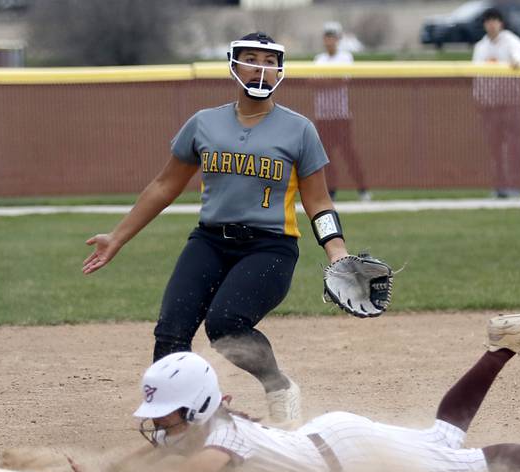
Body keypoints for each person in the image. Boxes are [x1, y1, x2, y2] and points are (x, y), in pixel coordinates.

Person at [82, 32, 352, 427]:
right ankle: (174, 428)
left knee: (225, 325)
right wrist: (117, 236)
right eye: (251, 59)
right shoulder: (204, 123)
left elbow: (319, 201)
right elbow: (164, 185)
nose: (261, 67)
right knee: (171, 334)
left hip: (270, 247)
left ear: (280, 69)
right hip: (209, 240)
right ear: (233, 65)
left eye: (269, 60)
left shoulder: (300, 130)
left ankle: (278, 386)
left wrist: (337, 251)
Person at [67, 311, 520, 472]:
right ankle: (498, 350)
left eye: (163, 413)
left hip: (349, 451)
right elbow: (157, 453)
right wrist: (98, 469)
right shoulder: (208, 422)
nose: (157, 425)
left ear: (194, 408)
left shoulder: (222, 438)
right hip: (334, 438)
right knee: (442, 440)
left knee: (458, 460)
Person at [472, 8, 520, 199]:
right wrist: (479, 100)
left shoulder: (511, 42)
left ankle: (515, 186)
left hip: (510, 104)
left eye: (495, 20)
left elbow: (519, 59)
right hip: (489, 105)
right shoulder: (481, 47)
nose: (491, 24)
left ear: (501, 23)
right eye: (488, 21)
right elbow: (476, 77)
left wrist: (516, 61)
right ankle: (499, 187)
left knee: (515, 146)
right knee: (494, 147)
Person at [313, 21, 371, 202]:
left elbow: (342, 80)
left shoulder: (346, 57)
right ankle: (331, 192)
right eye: (327, 36)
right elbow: (313, 83)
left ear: (338, 39)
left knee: (349, 154)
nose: (330, 40)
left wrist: (325, 82)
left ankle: (363, 190)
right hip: (323, 116)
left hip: (340, 115)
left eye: (333, 36)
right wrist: (328, 81)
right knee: (326, 156)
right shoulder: (319, 59)